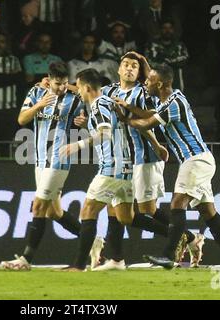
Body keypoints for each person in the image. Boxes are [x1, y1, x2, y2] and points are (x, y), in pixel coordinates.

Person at [90, 52, 203, 271]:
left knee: (146, 209)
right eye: (126, 64)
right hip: (121, 160)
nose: (130, 68)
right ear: (119, 69)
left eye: (135, 65)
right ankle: (117, 259)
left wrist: (156, 145)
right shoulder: (109, 91)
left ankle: (186, 237)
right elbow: (90, 95)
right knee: (117, 211)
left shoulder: (144, 91)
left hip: (144, 157)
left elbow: (152, 116)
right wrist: (66, 89)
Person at [60, 68, 180, 272]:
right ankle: (176, 235)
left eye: (79, 87)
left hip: (111, 169)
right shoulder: (110, 102)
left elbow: (104, 134)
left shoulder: (98, 106)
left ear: (87, 87)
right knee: (126, 217)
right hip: (127, 169)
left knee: (88, 210)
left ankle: (78, 265)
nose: (78, 91)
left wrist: (76, 145)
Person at [126, 65, 220, 271]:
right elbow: (147, 113)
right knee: (209, 213)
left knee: (178, 202)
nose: (146, 83)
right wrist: (127, 108)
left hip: (195, 159)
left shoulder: (174, 103)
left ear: (160, 83)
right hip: (199, 160)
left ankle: (168, 256)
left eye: (150, 80)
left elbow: (146, 123)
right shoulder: (170, 99)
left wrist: (125, 118)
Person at [0, 62, 85, 271]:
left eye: (65, 83)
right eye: (58, 83)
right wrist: (39, 106)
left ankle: (25, 259)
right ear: (49, 78)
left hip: (59, 159)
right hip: (40, 160)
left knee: (38, 206)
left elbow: (91, 96)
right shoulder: (37, 92)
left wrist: (83, 120)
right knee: (55, 212)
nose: (61, 88)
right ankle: (95, 241)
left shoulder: (74, 97)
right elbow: (21, 119)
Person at [145, 19, 189, 91]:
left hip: (176, 85)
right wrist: (172, 60)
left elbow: (185, 58)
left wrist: (164, 59)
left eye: (170, 28)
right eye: (164, 28)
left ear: (173, 30)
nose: (167, 30)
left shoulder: (179, 45)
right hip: (158, 85)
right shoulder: (152, 45)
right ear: (160, 30)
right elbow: (149, 61)